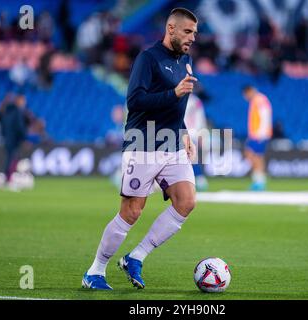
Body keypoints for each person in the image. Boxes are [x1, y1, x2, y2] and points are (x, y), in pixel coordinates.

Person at [82, 7, 198, 290]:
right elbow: (136, 101)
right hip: (143, 142)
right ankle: (94, 272)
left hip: (172, 143)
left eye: (194, 33)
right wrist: (174, 93)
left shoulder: (185, 60)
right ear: (170, 29)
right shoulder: (148, 59)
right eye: (187, 31)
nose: (192, 37)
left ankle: (136, 257)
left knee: (186, 201)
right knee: (132, 211)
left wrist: (183, 132)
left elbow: (176, 106)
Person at [242, 85, 273, 191]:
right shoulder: (257, 100)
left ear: (249, 91)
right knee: (256, 156)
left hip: (259, 134)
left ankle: (259, 180)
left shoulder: (259, 100)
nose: (246, 97)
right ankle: (259, 180)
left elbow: (265, 117)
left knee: (254, 155)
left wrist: (261, 133)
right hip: (256, 134)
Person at [184, 93, 209, 191]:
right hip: (193, 132)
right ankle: (199, 180)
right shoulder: (196, 100)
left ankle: (200, 180)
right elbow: (201, 118)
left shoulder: (183, 99)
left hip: (186, 132)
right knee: (189, 158)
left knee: (189, 158)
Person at [0, 94, 27, 182]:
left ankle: (8, 177)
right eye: (23, 100)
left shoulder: (7, 112)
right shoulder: (17, 112)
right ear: (18, 100)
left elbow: (3, 126)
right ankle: (10, 178)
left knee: (9, 158)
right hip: (14, 139)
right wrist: (23, 138)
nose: (24, 103)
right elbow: (19, 127)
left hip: (7, 138)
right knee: (13, 158)